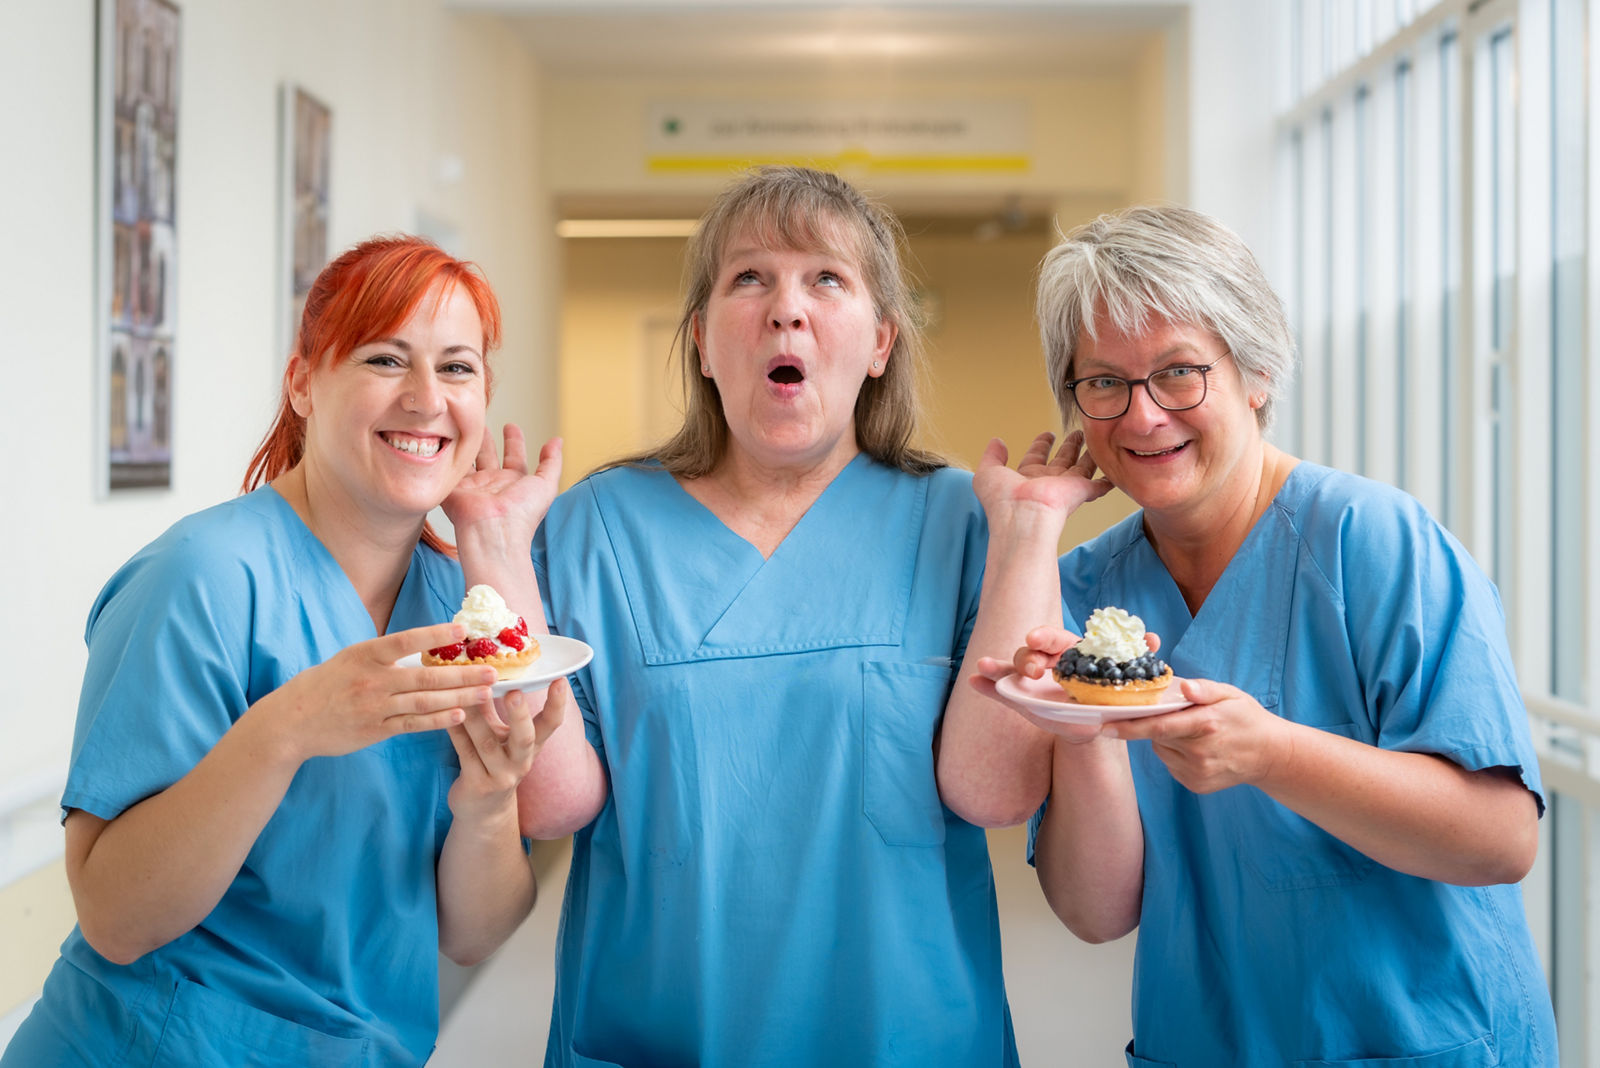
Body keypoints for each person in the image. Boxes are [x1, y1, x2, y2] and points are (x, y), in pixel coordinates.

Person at [517, 165, 1098, 1067]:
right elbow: (545, 804)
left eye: (827, 278)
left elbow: (994, 793)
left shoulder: (966, 522)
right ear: (703, 341)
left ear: (881, 342)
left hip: (903, 1037)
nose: (787, 308)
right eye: (749, 277)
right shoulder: (594, 527)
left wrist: (1029, 535)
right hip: (657, 1033)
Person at [972, 204, 1558, 1066]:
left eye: (1179, 373)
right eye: (1104, 382)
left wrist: (1270, 753)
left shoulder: (1375, 543)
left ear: (1256, 373)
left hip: (1422, 1038)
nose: (1141, 418)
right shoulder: (1088, 593)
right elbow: (1097, 913)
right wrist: (1085, 725)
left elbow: (1502, 840)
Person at [3, 235, 567, 1067]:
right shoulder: (201, 580)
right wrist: (288, 728)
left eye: (457, 369)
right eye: (385, 359)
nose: (425, 399)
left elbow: (471, 937)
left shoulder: (456, 611)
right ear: (303, 382)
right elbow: (116, 919)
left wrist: (488, 801)